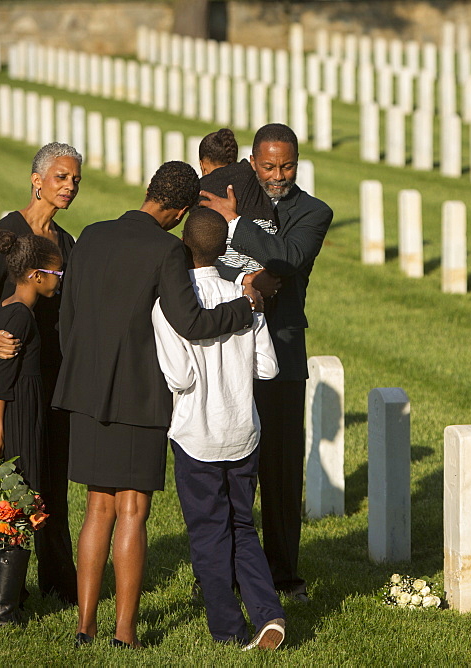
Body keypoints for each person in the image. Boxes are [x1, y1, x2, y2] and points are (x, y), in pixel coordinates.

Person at [53, 161, 263, 650]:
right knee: (132, 510)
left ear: (149, 191)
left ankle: (85, 626)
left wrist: (83, 372)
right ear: (182, 210)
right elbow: (189, 321)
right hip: (139, 394)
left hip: (84, 391)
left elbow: (68, 315)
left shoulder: (91, 235)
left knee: (95, 509)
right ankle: (125, 632)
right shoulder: (166, 248)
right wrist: (244, 307)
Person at [200, 123, 334, 602]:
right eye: (269, 165)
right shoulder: (227, 191)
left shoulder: (314, 212)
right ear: (253, 162)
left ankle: (283, 575)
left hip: (281, 347)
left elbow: (288, 258)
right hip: (229, 345)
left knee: (279, 467)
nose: (278, 174)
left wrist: (235, 225)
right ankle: (225, 571)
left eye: (288, 165)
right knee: (230, 465)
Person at [152, 207, 285, 650]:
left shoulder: (168, 305)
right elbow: (267, 367)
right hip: (243, 430)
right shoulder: (243, 296)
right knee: (243, 526)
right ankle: (268, 613)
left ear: (183, 247)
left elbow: (180, 378)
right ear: (223, 249)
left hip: (197, 435)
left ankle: (228, 630)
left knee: (209, 534)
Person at [0, 142, 82, 606]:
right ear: (37, 180)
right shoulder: (6, 235)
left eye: (75, 178)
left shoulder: (66, 244)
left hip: (55, 380)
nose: (70, 186)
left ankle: (59, 583)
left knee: (52, 483)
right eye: (61, 177)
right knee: (13, 486)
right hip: (13, 377)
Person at [0, 230, 65, 626]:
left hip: (12, 416)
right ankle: (2, 612)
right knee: (17, 505)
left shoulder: (4, 307)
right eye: (56, 273)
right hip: (14, 419)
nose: (58, 279)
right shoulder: (20, 316)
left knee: (6, 504)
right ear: (35, 275)